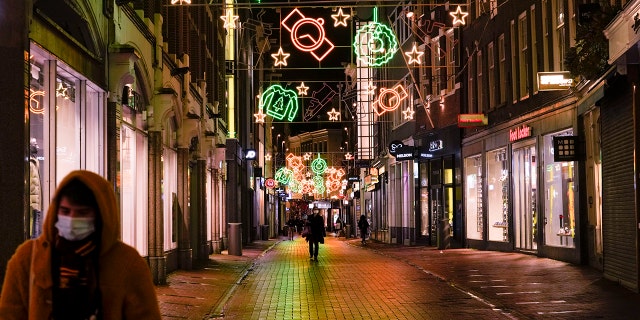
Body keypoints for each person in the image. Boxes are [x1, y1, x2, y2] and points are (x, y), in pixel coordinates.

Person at [0, 170, 161, 319]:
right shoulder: (28, 257)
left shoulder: (128, 263)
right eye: (65, 211)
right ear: (55, 211)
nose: (71, 220)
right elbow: (9, 313)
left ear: (99, 215)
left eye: (82, 213)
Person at [29, 138, 42, 239]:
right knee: (33, 232)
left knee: (35, 230)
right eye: (35, 144)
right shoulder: (29, 162)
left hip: (36, 202)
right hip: (31, 203)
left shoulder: (34, 161)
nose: (37, 146)